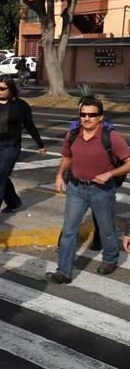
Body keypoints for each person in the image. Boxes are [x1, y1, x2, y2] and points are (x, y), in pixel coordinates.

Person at [49, 96, 130, 281]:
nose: (87, 118)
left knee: (106, 228)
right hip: (76, 188)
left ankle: (110, 259)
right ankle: (63, 271)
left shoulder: (111, 137)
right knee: (69, 229)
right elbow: (67, 157)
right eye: (83, 114)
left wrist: (110, 174)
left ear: (100, 117)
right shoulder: (72, 134)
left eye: (92, 115)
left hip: (101, 191)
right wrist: (60, 175)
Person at [0, 76, 45, 227]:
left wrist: (40, 144)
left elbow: (30, 125)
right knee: (0, 177)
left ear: (11, 88)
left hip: (10, 146)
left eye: (2, 89)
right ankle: (14, 202)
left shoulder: (20, 106)